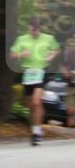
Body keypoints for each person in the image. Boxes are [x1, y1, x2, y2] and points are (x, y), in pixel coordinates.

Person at [10, 17, 60, 145]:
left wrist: (51, 56)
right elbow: (12, 54)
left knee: (36, 101)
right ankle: (36, 130)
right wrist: (21, 54)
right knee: (31, 105)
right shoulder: (21, 39)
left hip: (41, 71)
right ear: (29, 28)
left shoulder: (48, 38)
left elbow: (57, 49)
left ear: (40, 28)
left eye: (36, 30)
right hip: (27, 73)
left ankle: (36, 133)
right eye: (32, 30)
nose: (34, 32)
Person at [62, 37, 75, 129]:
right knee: (70, 110)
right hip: (71, 85)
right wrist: (64, 71)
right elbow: (62, 65)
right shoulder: (68, 53)